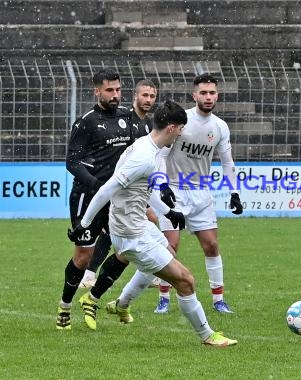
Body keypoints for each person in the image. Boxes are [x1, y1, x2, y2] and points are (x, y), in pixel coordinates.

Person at [68, 100, 237, 346]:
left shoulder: (146, 145)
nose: (181, 133)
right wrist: (83, 224)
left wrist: (169, 211)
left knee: (169, 251)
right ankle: (207, 336)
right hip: (131, 234)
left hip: (136, 224)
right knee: (186, 280)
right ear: (171, 128)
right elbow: (106, 190)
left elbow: (142, 189)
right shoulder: (145, 157)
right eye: (180, 129)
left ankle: (121, 304)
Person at [56, 68, 133, 330]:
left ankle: (93, 297)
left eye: (118, 90)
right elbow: (72, 161)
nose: (115, 95)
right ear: (96, 91)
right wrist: (98, 185)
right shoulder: (86, 122)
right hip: (87, 196)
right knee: (83, 257)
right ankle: (64, 306)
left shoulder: (127, 117)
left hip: (118, 198)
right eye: (109, 90)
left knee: (127, 250)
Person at [80, 79, 159, 288]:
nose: (148, 100)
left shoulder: (148, 124)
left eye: (152, 96)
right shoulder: (124, 118)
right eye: (144, 95)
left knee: (116, 230)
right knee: (139, 222)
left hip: (133, 185)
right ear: (135, 96)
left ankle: (92, 275)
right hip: (118, 183)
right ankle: (147, 269)